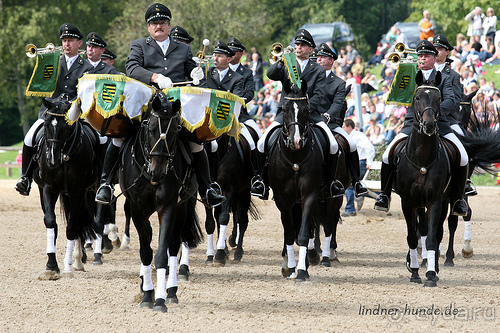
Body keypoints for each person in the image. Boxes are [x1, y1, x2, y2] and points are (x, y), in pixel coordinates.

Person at [96, 3, 225, 208]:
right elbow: (132, 68)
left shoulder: (183, 48)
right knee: (119, 137)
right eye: (154, 23)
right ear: (149, 27)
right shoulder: (139, 45)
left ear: (168, 25)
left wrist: (197, 76)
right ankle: (106, 184)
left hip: (176, 107)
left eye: (162, 23)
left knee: (196, 142)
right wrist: (155, 77)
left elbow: (192, 74)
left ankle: (208, 188)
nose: (159, 26)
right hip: (147, 105)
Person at [374, 40, 469, 216]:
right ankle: (384, 195)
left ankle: (458, 199)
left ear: (434, 58)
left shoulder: (447, 77)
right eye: (420, 56)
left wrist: (434, 113)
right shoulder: (409, 74)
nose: (422, 59)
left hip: (440, 124)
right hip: (412, 124)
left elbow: (452, 99)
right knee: (388, 155)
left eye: (426, 56)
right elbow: (399, 97)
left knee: (462, 156)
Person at [251, 28, 344, 199]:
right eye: (297, 44)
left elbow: (320, 94)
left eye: (302, 45)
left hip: (310, 114)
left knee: (332, 144)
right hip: (285, 114)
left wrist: (304, 108)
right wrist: (280, 62)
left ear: (310, 49)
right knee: (262, 143)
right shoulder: (288, 63)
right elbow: (270, 74)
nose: (298, 47)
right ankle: (261, 181)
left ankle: (331, 183)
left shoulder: (318, 70)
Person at [15, 23, 92, 196]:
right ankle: (25, 178)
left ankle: (101, 179)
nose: (66, 44)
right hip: (50, 113)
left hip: (74, 113)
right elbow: (43, 87)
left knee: (100, 139)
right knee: (29, 138)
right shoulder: (51, 62)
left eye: (70, 40)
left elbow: (85, 93)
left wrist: (71, 103)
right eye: (64, 41)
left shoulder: (87, 67)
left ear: (79, 43)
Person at [315, 42, 368, 197]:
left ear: (331, 61)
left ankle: (356, 182)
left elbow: (338, 104)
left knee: (351, 144)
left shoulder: (338, 82)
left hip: (330, 123)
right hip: (311, 120)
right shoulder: (309, 78)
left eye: (323, 57)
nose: (319, 59)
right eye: (318, 57)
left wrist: (327, 116)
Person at [341, 119, 375, 216]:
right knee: (354, 186)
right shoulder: (350, 136)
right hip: (356, 163)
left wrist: (369, 162)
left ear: (349, 127)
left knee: (350, 186)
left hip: (361, 163)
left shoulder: (358, 135)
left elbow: (369, 147)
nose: (342, 129)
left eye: (344, 127)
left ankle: (350, 209)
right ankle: (380, 197)